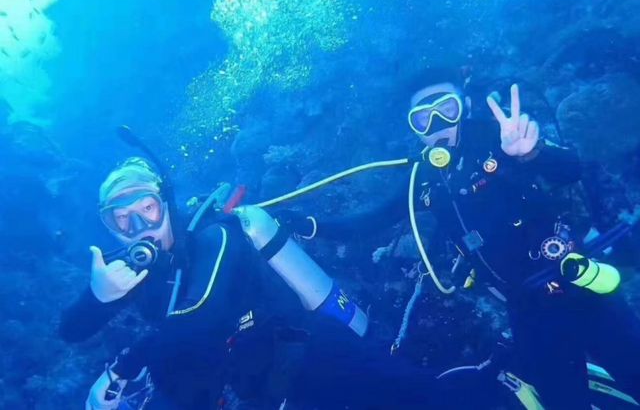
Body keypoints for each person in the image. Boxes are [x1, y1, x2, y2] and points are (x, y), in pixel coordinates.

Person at [287, 78, 640, 409]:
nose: (437, 123)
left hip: (579, 284)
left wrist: (532, 153)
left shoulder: (502, 138)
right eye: (423, 118)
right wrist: (310, 226)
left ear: (465, 105)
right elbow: (371, 220)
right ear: (415, 130)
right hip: (526, 309)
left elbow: (570, 170)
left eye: (446, 108)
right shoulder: (424, 181)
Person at [60, 151, 450, 410]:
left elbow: (200, 321)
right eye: (122, 219)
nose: (141, 227)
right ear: (109, 227)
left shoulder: (218, 237)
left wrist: (128, 363)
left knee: (427, 398)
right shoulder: (123, 271)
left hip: (315, 355)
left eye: (147, 209)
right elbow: (71, 330)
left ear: (166, 206)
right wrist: (97, 297)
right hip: (259, 388)